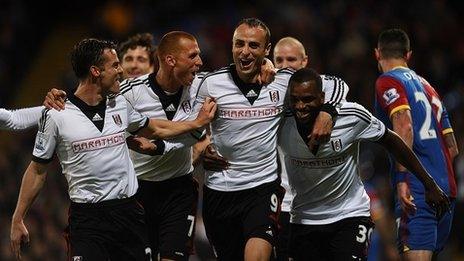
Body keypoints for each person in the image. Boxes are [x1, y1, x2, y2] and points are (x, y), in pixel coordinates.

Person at [9, 38, 217, 260]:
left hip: (129, 213)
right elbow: (37, 170)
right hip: (88, 221)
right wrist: (18, 218)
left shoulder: (119, 104)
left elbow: (154, 128)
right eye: (115, 65)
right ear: (96, 71)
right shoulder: (57, 114)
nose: (121, 71)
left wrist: (196, 124)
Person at [193, 18, 344, 261]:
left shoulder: (284, 82)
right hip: (219, 191)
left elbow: (338, 84)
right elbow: (191, 128)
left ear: (266, 50)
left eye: (253, 45)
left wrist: (327, 112)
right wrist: (201, 147)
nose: (244, 51)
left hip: (262, 188)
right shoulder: (210, 84)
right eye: (239, 44)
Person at [280, 68, 449, 260]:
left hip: (349, 215)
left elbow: (392, 141)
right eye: (295, 100)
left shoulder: (351, 116)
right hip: (303, 218)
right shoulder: (280, 122)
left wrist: (429, 183)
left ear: (322, 97)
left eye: (308, 99)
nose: (300, 106)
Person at [118, 31, 207, 260]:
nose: (200, 62)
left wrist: (266, 65)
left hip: (178, 191)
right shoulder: (129, 93)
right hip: (136, 192)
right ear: (170, 60)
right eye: (193, 56)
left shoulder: (202, 87)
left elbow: (196, 132)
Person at [374, 28, 459, 260]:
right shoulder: (429, 87)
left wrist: (403, 180)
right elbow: (452, 147)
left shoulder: (387, 81)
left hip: (417, 191)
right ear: (408, 55)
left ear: (377, 54)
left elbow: (405, 126)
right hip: (446, 191)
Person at [272, 36, 349, 260]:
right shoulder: (268, 91)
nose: (285, 65)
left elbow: (339, 84)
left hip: (320, 206)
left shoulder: (318, 89)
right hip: (282, 203)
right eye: (279, 60)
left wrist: (327, 111)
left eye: (291, 59)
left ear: (305, 61)